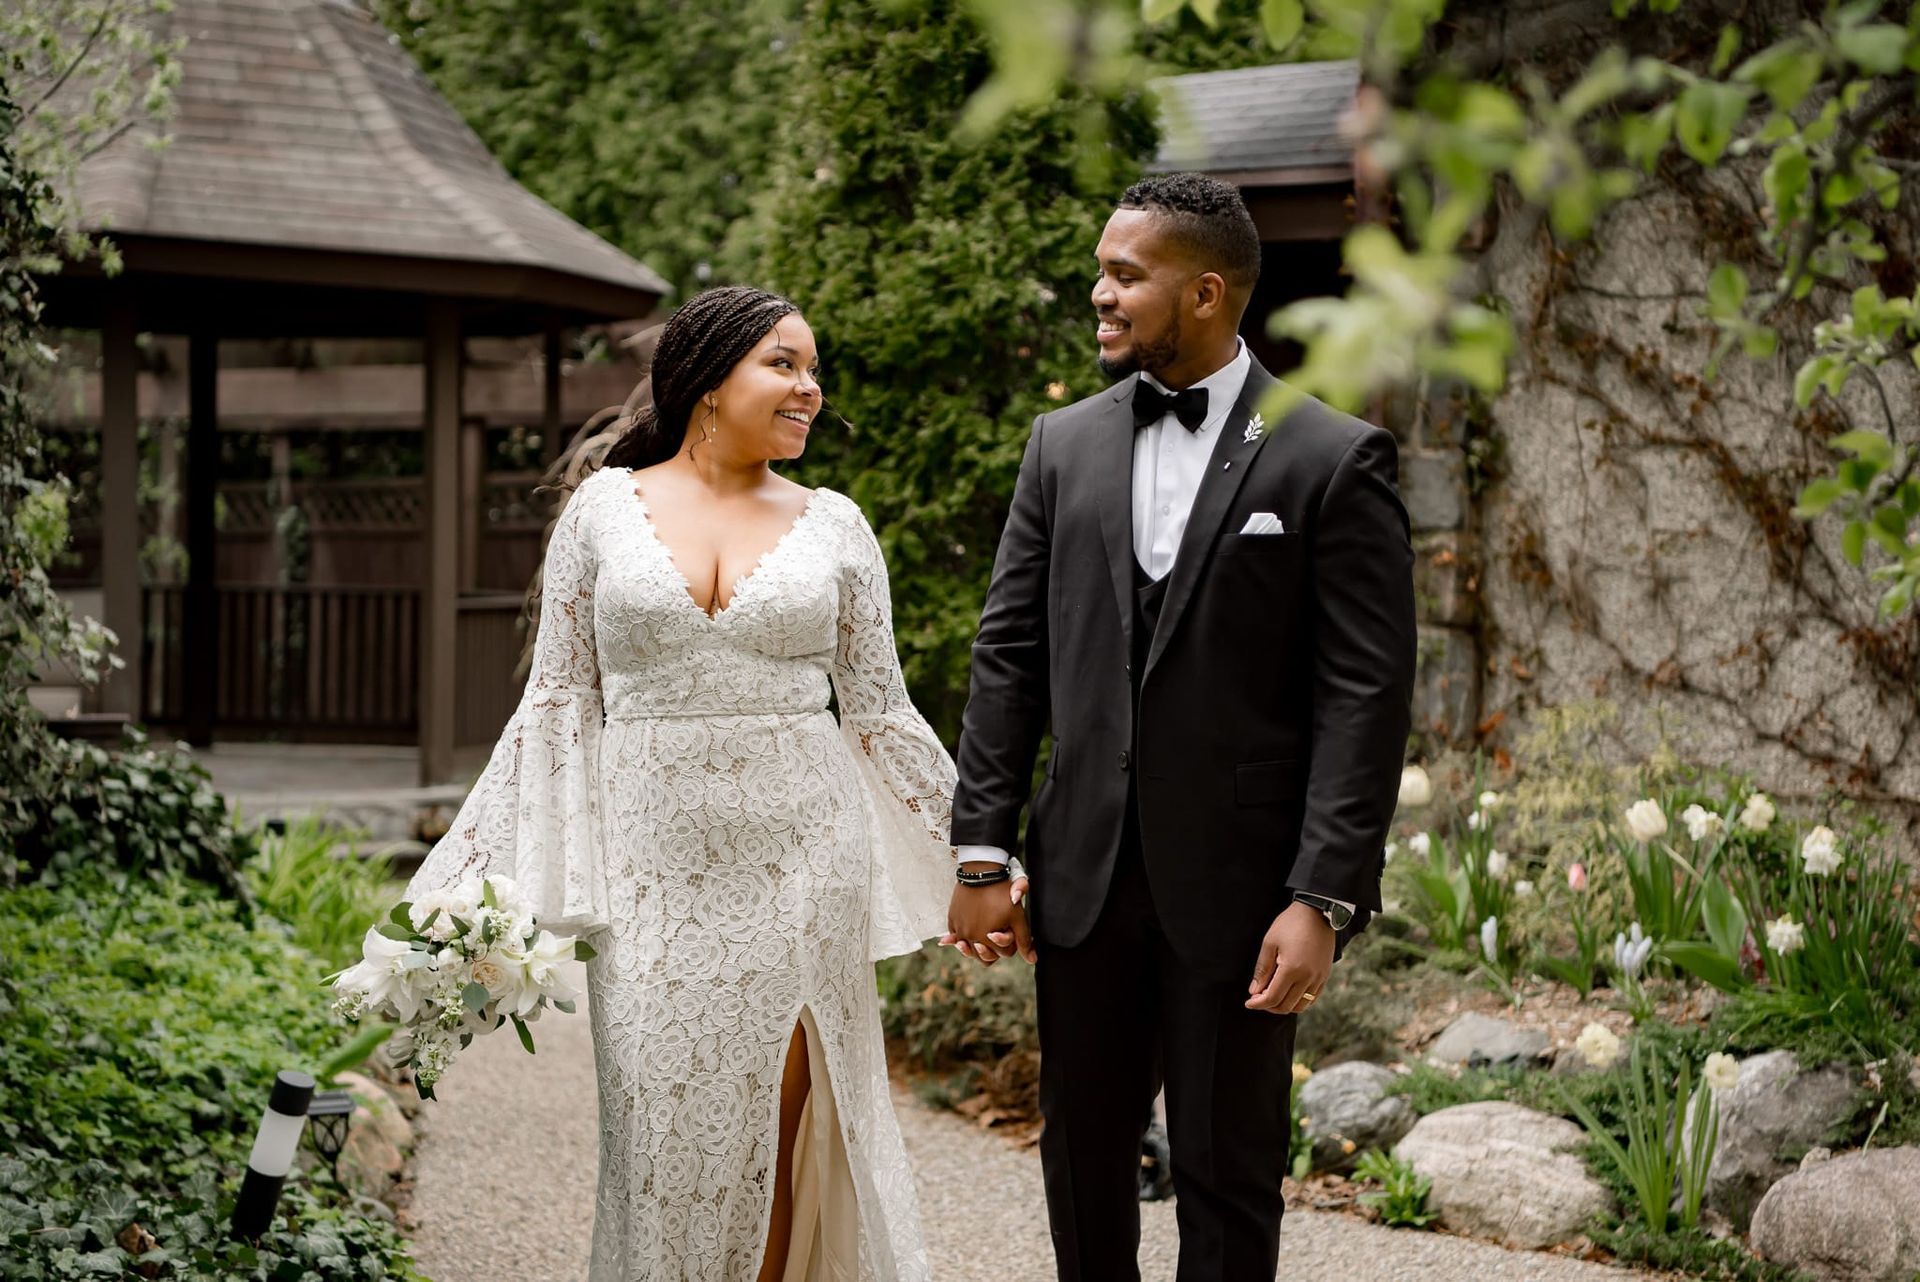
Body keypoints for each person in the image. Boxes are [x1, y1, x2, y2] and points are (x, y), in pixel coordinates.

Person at [403, 285, 1006, 1281]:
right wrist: (464, 884)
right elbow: (556, 704)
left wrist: (977, 858)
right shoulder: (601, 511)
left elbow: (881, 713)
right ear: (708, 380)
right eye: (786, 364)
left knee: (782, 1121)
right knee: (658, 1125)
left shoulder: (838, 527)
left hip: (808, 861)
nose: (812, 389)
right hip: (648, 869)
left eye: (816, 369)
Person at [945, 174, 1417, 1280]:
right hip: (1086, 876)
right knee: (1081, 1159)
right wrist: (982, 847)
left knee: (1228, 1171)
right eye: (1102, 270)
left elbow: (1366, 696)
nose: (1100, 293)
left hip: (1246, 888)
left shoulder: (1330, 456)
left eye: (1125, 275)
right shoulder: (1060, 445)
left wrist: (1324, 896)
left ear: (1206, 292)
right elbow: (1010, 654)